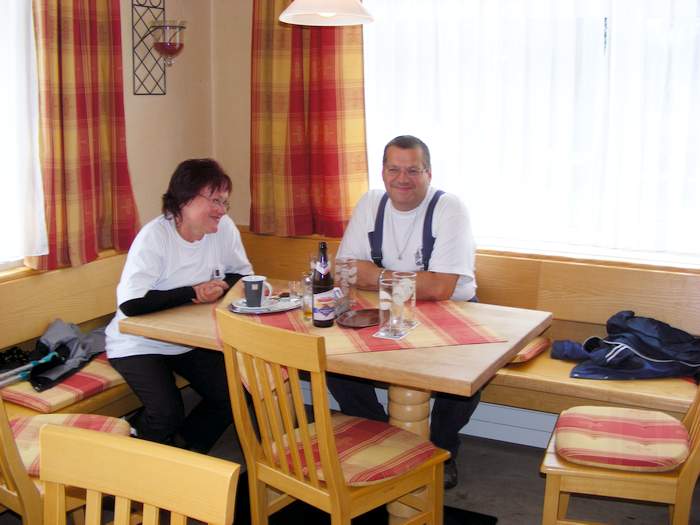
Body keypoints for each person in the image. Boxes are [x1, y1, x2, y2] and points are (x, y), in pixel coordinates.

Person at [327, 135, 478, 489]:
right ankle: (383, 436)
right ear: (383, 172)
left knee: (467, 374)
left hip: (451, 310)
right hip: (383, 307)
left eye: (413, 170)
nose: (402, 179)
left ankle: (442, 448)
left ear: (428, 173)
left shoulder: (449, 208)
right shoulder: (371, 203)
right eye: (394, 169)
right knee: (334, 360)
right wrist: (412, 279)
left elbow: (441, 288)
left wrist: (376, 275)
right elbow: (344, 270)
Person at [105, 158, 253, 453]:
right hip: (139, 343)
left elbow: (242, 276)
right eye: (215, 200)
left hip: (187, 340)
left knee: (236, 395)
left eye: (225, 202)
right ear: (185, 199)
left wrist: (221, 286)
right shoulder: (155, 236)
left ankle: (183, 452)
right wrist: (192, 293)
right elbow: (132, 304)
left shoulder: (224, 230)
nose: (222, 210)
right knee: (166, 414)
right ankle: (126, 452)